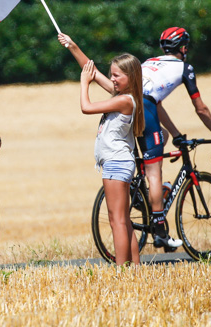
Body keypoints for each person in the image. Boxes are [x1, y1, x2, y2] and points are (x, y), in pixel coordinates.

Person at [136, 27, 211, 250]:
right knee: (154, 173)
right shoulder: (185, 68)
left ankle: (139, 190)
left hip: (124, 106)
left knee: (164, 136)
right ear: (184, 47)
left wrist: (177, 135)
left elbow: (155, 103)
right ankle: (160, 231)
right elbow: (200, 108)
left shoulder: (149, 61)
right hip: (145, 107)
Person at [58, 33, 144, 265]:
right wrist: (73, 46)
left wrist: (83, 83)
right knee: (123, 219)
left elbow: (86, 107)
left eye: (117, 76)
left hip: (116, 163)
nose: (112, 79)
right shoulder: (125, 95)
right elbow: (92, 70)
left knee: (116, 220)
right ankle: (135, 268)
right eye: (112, 75)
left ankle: (121, 270)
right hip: (120, 162)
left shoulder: (125, 100)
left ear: (130, 77)